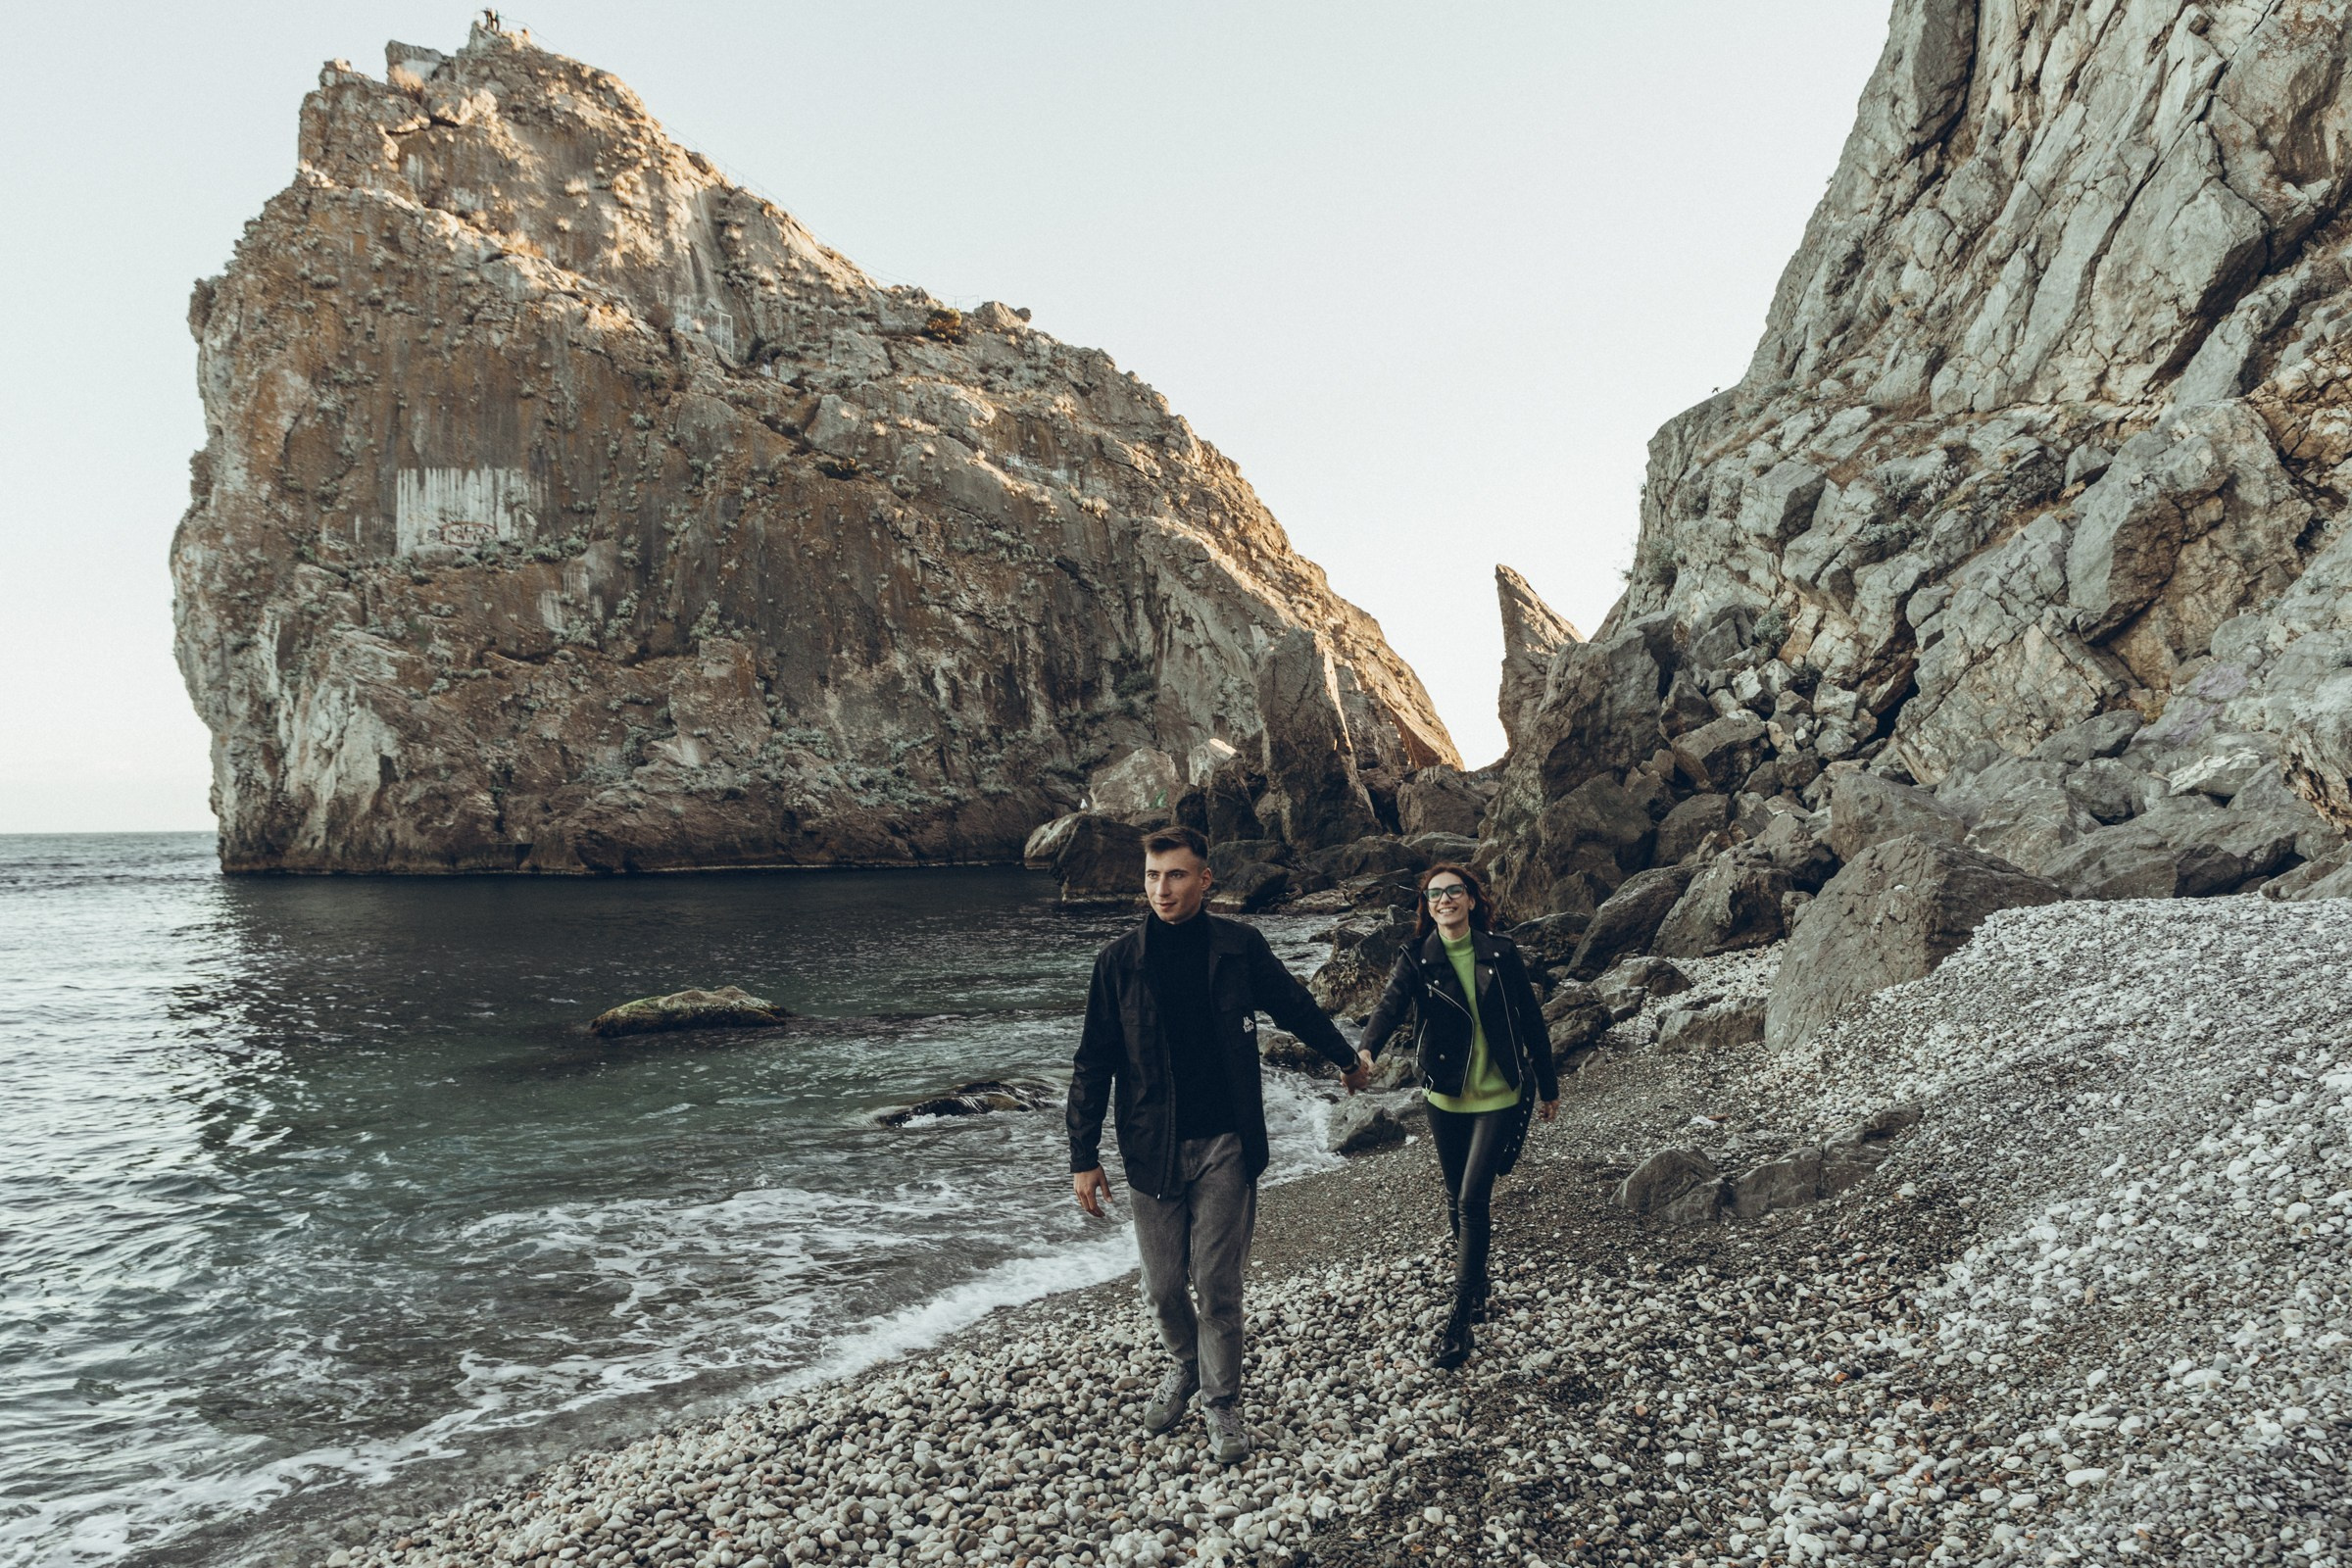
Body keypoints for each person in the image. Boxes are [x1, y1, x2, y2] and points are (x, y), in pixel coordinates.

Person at [1066, 823, 1372, 1462]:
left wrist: (1345, 1057)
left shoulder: (1239, 948)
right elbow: (1093, 1062)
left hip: (1228, 1141)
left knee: (1217, 1282)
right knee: (1163, 1286)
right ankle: (1185, 1364)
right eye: (1152, 876)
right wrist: (1084, 1157)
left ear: (1205, 880)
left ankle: (1222, 1401)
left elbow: (1294, 1005)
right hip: (1152, 1146)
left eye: (1176, 875)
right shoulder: (1119, 964)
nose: (1162, 888)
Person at [1357, 862, 1557, 1369]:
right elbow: (1389, 1006)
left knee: (1472, 1198)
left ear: (1471, 900)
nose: (1444, 900)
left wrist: (1549, 1086)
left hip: (1499, 1094)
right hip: (1444, 1096)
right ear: (1426, 907)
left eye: (1454, 892)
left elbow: (1531, 1021)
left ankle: (1462, 1311)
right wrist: (1365, 1051)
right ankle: (1478, 1278)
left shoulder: (1502, 953)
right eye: (1434, 895)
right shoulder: (1417, 958)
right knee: (1455, 1196)